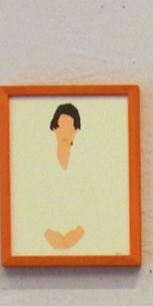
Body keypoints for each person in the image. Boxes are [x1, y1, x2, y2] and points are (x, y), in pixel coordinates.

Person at [43, 102, 86, 250]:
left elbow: (94, 207)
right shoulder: (43, 166)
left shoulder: (84, 168)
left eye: (70, 127)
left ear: (76, 130)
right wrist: (47, 233)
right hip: (48, 240)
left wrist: (78, 233)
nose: (65, 132)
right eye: (62, 126)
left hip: (80, 241)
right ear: (54, 128)